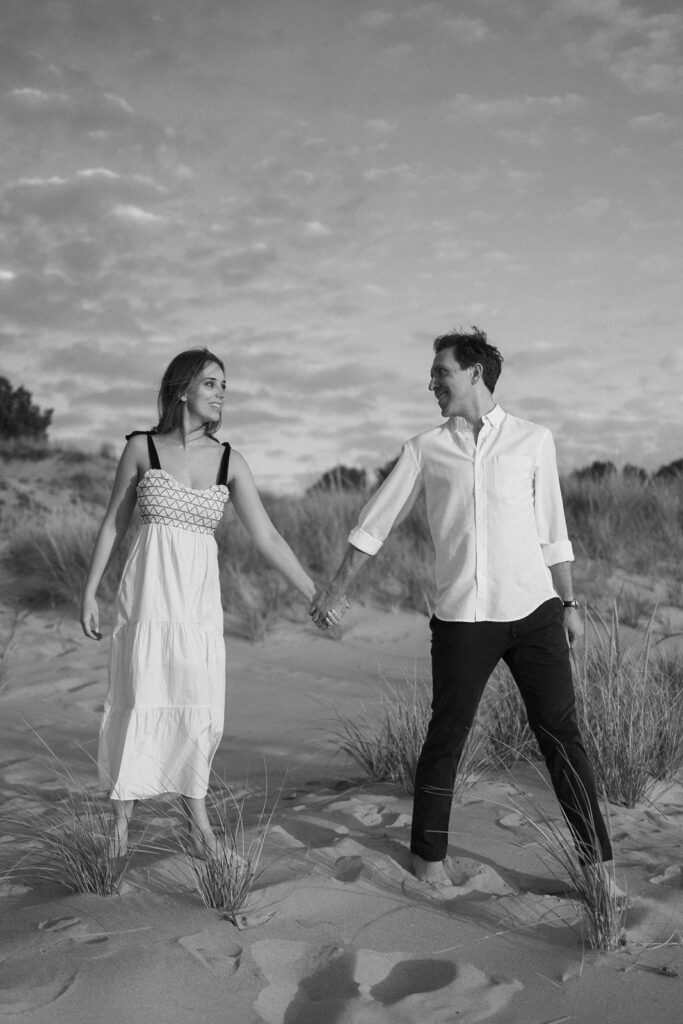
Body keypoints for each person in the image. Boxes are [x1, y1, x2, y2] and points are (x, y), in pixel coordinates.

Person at [311, 327, 621, 893]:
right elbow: (375, 522)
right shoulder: (426, 448)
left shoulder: (533, 440)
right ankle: (429, 859)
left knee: (561, 735)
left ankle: (597, 867)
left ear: (475, 373)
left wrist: (570, 603)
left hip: (534, 613)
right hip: (461, 618)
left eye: (441, 373)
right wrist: (336, 587)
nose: (431, 384)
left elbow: (554, 532)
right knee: (446, 735)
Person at [81, 348, 316, 858]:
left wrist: (314, 593)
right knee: (139, 695)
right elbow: (114, 522)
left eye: (224, 386)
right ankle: (121, 824)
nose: (221, 394)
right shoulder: (143, 448)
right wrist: (89, 591)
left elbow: (269, 537)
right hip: (146, 601)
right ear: (183, 388)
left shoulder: (230, 460)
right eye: (212, 383)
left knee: (195, 700)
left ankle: (198, 821)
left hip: (197, 608)